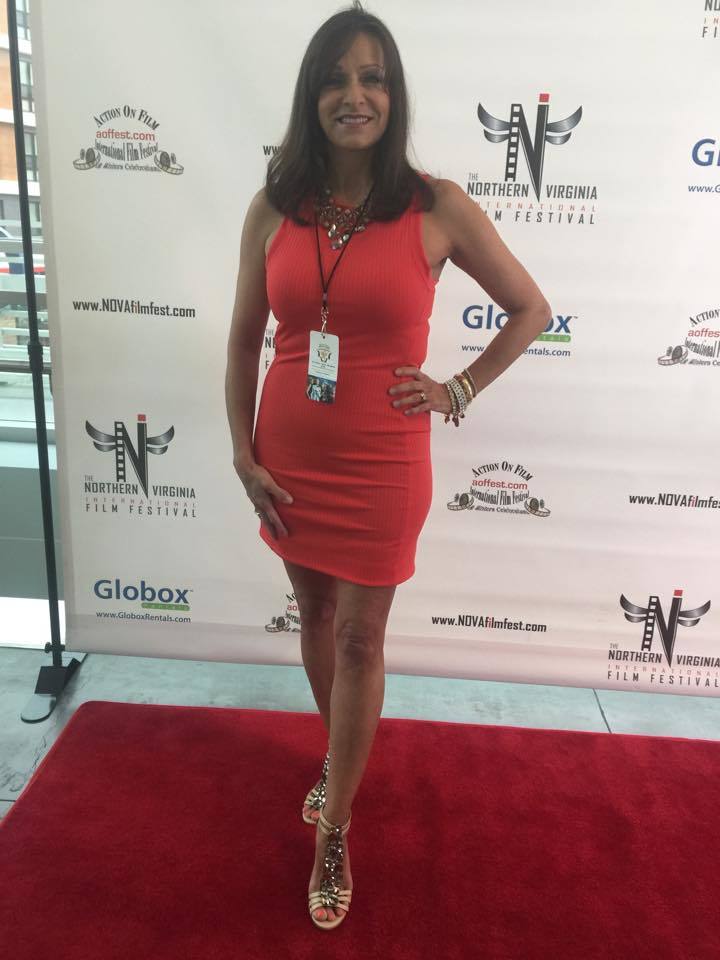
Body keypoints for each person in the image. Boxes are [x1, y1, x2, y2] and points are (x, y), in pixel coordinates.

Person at [225, 1, 551, 930]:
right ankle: (339, 764)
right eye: (335, 78)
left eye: (372, 78)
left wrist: (458, 388)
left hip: (383, 467)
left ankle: (334, 826)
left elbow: (530, 308)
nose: (354, 95)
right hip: (288, 460)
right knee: (314, 617)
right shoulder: (274, 206)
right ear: (311, 96)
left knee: (362, 640)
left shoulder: (435, 206)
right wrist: (243, 452)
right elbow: (244, 341)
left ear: (394, 94)